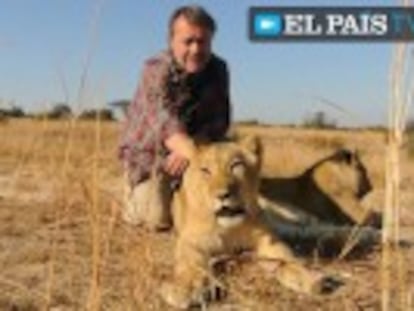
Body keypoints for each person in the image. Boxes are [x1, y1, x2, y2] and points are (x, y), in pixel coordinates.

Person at [118, 5, 231, 231]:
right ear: (171, 40)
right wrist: (193, 155)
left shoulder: (219, 68)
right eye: (188, 41)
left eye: (203, 42)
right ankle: (132, 193)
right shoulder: (155, 68)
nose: (196, 49)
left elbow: (220, 121)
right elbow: (165, 124)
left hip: (195, 148)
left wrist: (194, 148)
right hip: (151, 157)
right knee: (155, 220)